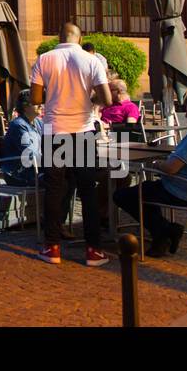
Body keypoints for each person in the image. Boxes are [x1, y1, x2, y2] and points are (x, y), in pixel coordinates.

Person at [30, 22, 111, 267]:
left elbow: (35, 99)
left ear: (58, 36)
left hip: (54, 130)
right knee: (88, 190)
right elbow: (107, 98)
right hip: (83, 130)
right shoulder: (91, 60)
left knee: (55, 188)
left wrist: (54, 95)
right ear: (79, 37)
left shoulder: (44, 59)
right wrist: (89, 97)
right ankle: (93, 249)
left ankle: (52, 247)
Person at [113, 92, 187, 257]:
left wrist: (157, 164)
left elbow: (171, 168)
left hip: (179, 190)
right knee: (146, 191)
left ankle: (166, 230)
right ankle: (162, 234)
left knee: (123, 195)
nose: (186, 115)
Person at [0, 92, 42, 186]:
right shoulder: (18, 125)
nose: (40, 105)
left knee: (69, 175)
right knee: (57, 181)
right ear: (25, 107)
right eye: (36, 102)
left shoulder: (38, 122)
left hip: (34, 169)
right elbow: (31, 153)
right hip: (18, 173)